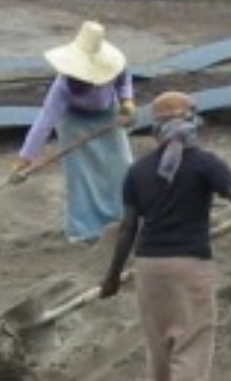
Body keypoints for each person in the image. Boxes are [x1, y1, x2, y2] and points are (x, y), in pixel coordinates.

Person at [99, 90, 231, 381]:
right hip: (189, 265)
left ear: (156, 130)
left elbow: (127, 228)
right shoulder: (205, 164)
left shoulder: (137, 171)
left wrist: (111, 278)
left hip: (147, 266)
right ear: (192, 124)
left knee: (159, 339)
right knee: (191, 346)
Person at [12, 21, 137, 243]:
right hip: (73, 120)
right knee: (80, 175)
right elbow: (45, 121)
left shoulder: (112, 66)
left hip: (108, 115)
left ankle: (122, 219)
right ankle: (85, 229)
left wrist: (127, 102)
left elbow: (124, 80)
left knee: (121, 166)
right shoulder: (62, 87)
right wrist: (25, 159)